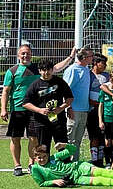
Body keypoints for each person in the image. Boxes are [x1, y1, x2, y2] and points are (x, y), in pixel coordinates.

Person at [2, 43, 76, 175]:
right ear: (18, 55)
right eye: (23, 53)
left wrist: (70, 57)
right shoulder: (12, 71)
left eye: (28, 53)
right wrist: (4, 109)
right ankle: (17, 165)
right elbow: (6, 91)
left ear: (31, 54)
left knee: (34, 139)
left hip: (36, 112)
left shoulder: (38, 68)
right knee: (16, 138)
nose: (25, 55)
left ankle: (33, 163)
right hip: (18, 109)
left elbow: (57, 68)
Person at [30, 143, 113, 188]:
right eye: (39, 158)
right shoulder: (36, 168)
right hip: (75, 178)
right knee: (99, 181)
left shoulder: (54, 157)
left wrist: (64, 145)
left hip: (78, 167)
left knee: (103, 172)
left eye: (44, 157)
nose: (42, 159)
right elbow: (41, 183)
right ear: (35, 158)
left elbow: (72, 150)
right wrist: (54, 182)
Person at [22, 58, 74, 153]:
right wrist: (39, 110)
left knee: (62, 147)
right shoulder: (35, 85)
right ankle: (45, 166)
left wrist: (61, 108)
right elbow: (25, 103)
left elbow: (70, 98)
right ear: (39, 71)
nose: (46, 72)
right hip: (41, 122)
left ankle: (65, 166)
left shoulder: (60, 82)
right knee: (43, 149)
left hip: (58, 121)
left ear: (52, 70)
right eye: (44, 70)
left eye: (48, 70)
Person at [62, 47, 94, 161]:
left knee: (78, 140)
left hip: (84, 109)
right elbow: (65, 90)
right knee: (70, 139)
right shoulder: (72, 70)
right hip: (73, 110)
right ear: (84, 58)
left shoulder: (86, 70)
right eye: (91, 56)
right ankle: (66, 163)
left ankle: (75, 163)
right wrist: (68, 107)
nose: (93, 58)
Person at [87, 53, 110, 167]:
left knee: (103, 136)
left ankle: (101, 160)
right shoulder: (88, 75)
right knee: (94, 136)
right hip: (92, 110)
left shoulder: (107, 76)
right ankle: (94, 160)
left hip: (105, 110)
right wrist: (93, 102)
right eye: (103, 63)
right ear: (95, 63)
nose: (105, 65)